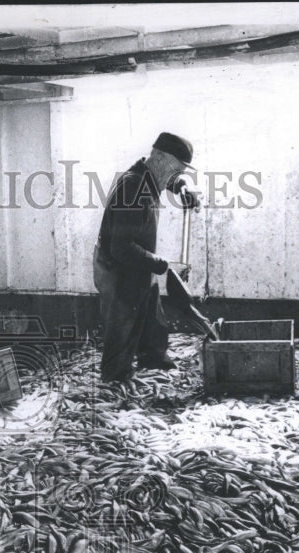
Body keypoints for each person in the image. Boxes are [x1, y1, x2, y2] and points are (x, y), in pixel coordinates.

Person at [93, 132, 197, 383]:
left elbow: (172, 182)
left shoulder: (149, 176)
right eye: (176, 169)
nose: (177, 176)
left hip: (138, 263)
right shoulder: (133, 187)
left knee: (153, 317)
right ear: (159, 158)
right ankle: (116, 381)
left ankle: (155, 362)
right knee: (123, 326)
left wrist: (184, 188)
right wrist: (163, 264)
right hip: (117, 268)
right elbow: (121, 248)